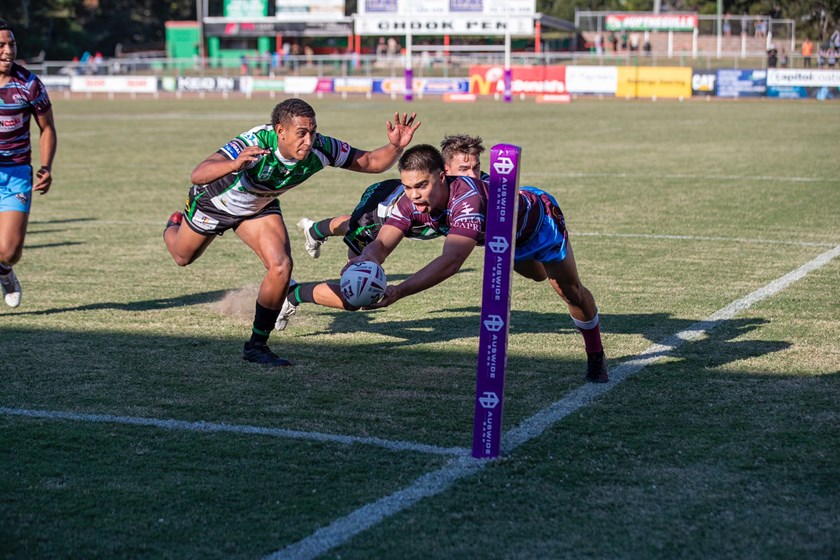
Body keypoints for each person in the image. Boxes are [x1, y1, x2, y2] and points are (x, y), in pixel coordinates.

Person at [300, 144, 608, 383]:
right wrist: (364, 261)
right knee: (536, 275)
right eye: (408, 187)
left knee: (568, 291)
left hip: (537, 224)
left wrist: (399, 291)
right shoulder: (409, 202)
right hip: (497, 240)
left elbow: (451, 261)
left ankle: (595, 355)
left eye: (421, 185)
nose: (414, 195)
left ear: (443, 176)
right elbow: (382, 244)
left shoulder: (467, 199)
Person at [162, 98, 420, 366]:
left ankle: (256, 346)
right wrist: (234, 164)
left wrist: (395, 146)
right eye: (301, 134)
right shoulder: (256, 142)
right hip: (215, 202)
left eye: (313, 132)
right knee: (183, 256)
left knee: (281, 267)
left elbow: (370, 162)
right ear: (280, 131)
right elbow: (199, 172)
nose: (308, 141)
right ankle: (173, 224)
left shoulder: (321, 147)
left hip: (259, 207)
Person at [276, 134, 488, 330]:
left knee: (360, 232)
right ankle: (295, 293)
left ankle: (315, 230)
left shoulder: (468, 190)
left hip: (411, 219)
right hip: (378, 213)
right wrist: (367, 259)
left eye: (476, 168)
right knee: (357, 295)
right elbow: (382, 240)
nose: (473, 175)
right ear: (446, 172)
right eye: (464, 170)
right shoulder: (414, 199)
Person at [0, 18, 58, 309]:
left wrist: (46, 167)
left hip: (16, 174)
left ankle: (5, 271)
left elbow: (47, 128)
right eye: (1, 45)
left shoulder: (29, 84)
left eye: (11, 44)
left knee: (9, 252)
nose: (7, 51)